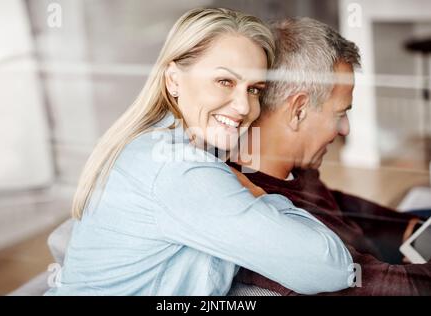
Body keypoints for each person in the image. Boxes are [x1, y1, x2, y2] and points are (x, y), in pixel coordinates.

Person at [44, 8, 354, 296]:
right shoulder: (179, 170)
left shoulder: (158, 145)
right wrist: (257, 194)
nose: (244, 106)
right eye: (224, 81)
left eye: (254, 89)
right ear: (174, 80)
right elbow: (333, 270)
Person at [227, 17, 431, 295]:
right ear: (298, 109)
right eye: (340, 113)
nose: (345, 129)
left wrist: (409, 228)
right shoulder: (266, 221)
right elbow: (373, 284)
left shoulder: (291, 167)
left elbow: (336, 202)